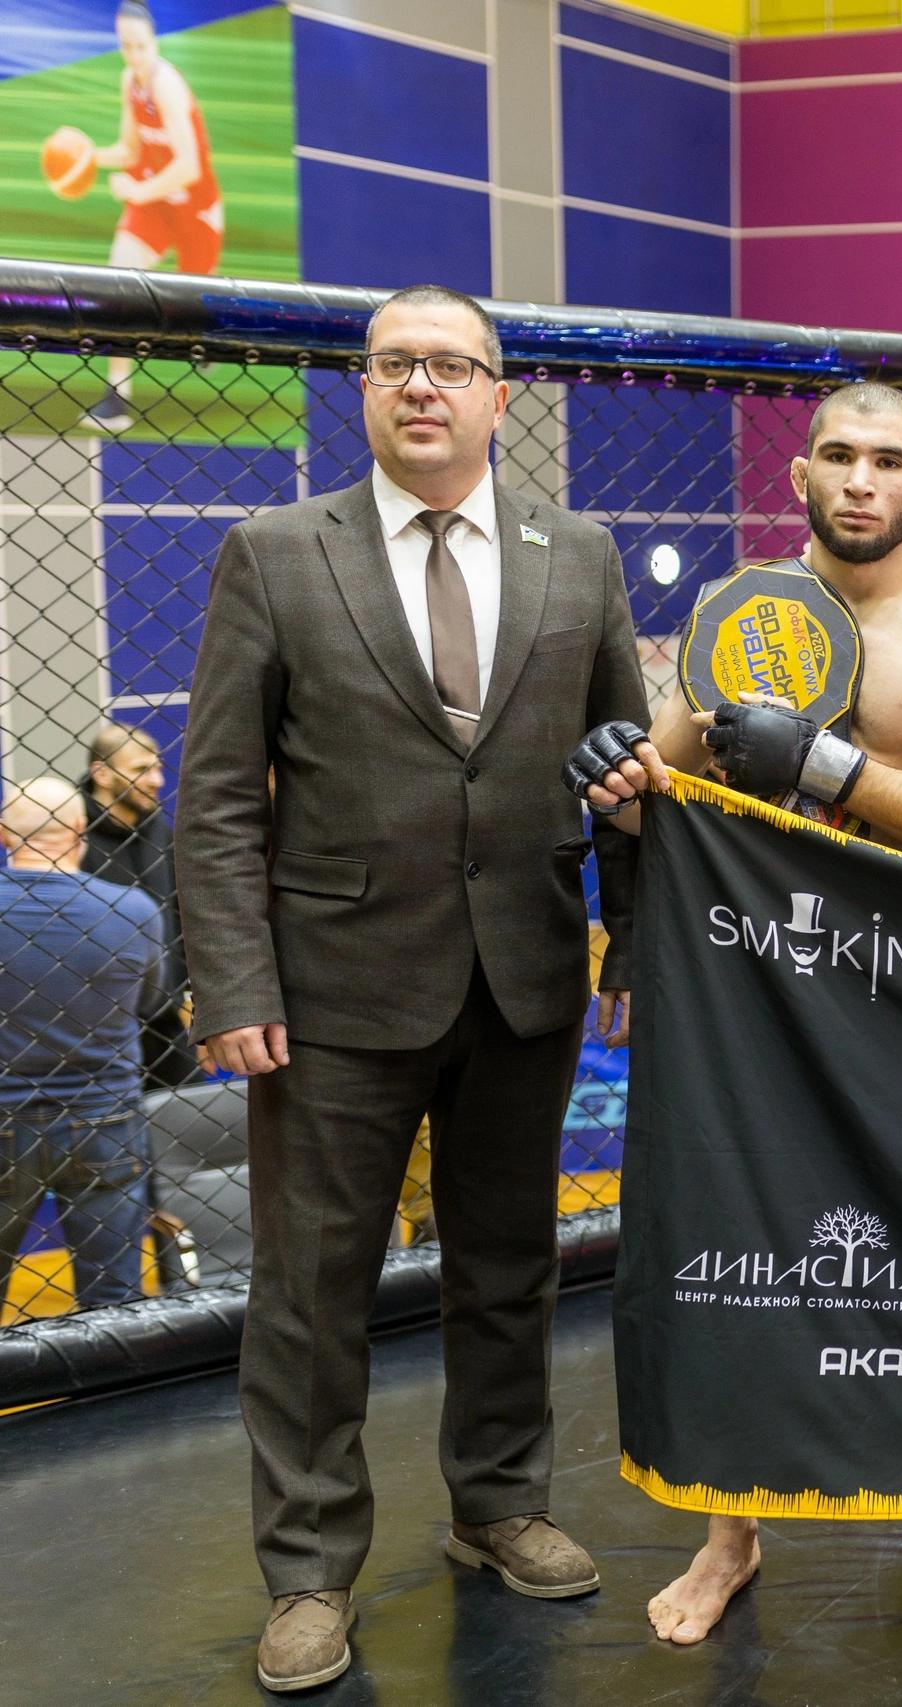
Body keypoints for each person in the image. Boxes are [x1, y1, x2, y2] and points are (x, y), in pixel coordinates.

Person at [177, 284, 650, 1693]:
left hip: (524, 977)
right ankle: (309, 1569)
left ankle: (499, 1503)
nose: (420, 387)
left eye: (449, 365)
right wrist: (232, 980)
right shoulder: (276, 553)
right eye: (393, 365)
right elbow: (217, 794)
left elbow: (627, 764)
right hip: (329, 993)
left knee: (509, 1267)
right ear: (365, 391)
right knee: (310, 1292)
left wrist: (632, 943)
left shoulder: (580, 555)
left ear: (501, 394)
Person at [566, 380, 902, 1637]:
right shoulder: (742, 613)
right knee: (735, 1247)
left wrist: (827, 763)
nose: (860, 480)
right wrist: (613, 780)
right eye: (838, 455)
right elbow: (660, 794)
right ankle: (729, 1537)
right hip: (756, 984)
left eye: (888, 461)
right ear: (800, 476)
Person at [0, 776, 166, 1312]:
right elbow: (150, 1001)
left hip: (4, 1113)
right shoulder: (133, 910)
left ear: (3, 834)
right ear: (79, 828)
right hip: (104, 1115)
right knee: (114, 1299)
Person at [86, 1, 224, 431]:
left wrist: (137, 189)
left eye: (140, 46)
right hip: (155, 206)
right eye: (125, 46)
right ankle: (117, 398)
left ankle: (204, 338)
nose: (133, 56)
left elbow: (189, 166)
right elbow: (130, 150)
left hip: (195, 208)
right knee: (119, 284)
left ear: (155, 42)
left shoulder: (168, 85)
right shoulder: (130, 81)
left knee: (195, 313)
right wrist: (87, 156)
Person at [82, 720, 191, 1090]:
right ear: (101, 773)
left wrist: (189, 999)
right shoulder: (72, 833)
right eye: (140, 770)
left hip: (166, 1018)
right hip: (97, 1024)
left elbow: (182, 917)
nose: (157, 780)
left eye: (157, 768)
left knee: (189, 1114)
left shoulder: (160, 831)